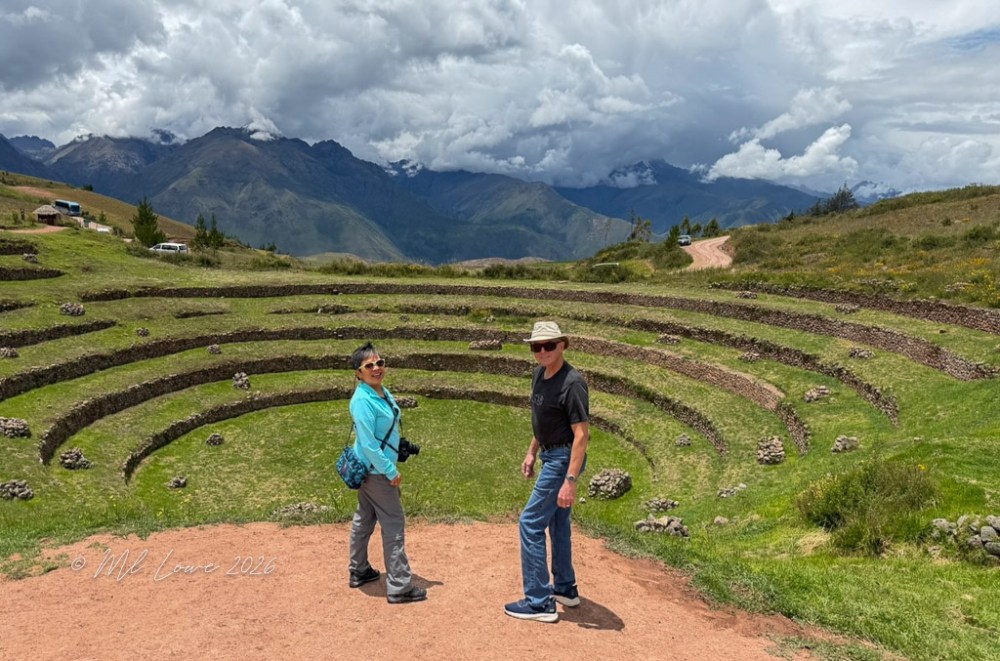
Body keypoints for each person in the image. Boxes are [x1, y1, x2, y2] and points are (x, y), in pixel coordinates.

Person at [504, 321, 590, 622]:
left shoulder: (572, 383)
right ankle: (565, 588)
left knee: (529, 523)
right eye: (536, 347)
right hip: (549, 454)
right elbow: (542, 419)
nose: (542, 352)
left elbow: (581, 435)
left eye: (548, 345)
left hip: (563, 460)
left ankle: (539, 602)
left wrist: (570, 481)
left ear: (562, 345)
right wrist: (531, 451)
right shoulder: (539, 375)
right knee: (557, 522)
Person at [347, 342, 426, 604]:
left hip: (371, 471)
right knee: (393, 524)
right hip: (377, 472)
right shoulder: (362, 401)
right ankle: (399, 586)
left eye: (379, 363)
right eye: (368, 365)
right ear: (358, 373)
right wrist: (390, 470)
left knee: (364, 519)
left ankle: (359, 570)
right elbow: (368, 444)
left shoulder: (378, 391)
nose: (376, 368)